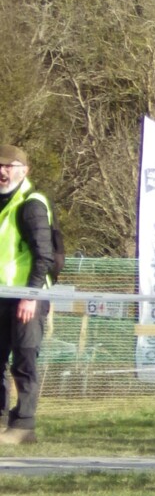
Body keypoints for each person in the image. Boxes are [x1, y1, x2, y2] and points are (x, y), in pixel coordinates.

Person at [0, 145, 56, 446]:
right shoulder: (3, 203)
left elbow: (44, 255)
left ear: (24, 171)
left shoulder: (32, 204)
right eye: (0, 166)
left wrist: (30, 296)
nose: (2, 171)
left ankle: (23, 426)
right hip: (2, 294)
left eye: (9, 166)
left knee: (24, 361)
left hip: (26, 297)